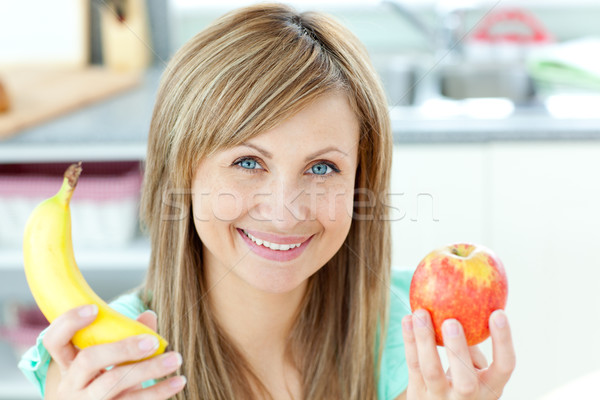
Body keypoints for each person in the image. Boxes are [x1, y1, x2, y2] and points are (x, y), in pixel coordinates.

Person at [18, 3, 515, 399]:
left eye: (322, 168)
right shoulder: (102, 370)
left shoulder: (408, 337)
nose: (285, 210)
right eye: (248, 162)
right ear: (182, 172)